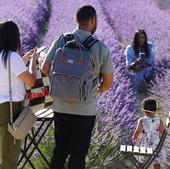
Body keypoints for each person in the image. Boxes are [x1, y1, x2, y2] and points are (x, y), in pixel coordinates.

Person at [42, 5, 113, 169]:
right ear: (93, 20)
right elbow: (108, 83)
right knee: (78, 154)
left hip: (60, 106)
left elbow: (45, 68)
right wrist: (96, 90)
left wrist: (61, 85)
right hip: (85, 109)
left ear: (77, 20)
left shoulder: (61, 40)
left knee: (59, 150)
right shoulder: (100, 48)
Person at [0, 21, 38, 169]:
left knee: (2, 149)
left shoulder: (5, 57)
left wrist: (24, 61)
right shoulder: (12, 57)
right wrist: (33, 62)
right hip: (10, 108)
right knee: (10, 152)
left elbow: (7, 73)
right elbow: (31, 81)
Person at [131, 98, 165, 169]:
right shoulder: (159, 120)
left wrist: (134, 137)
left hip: (144, 146)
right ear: (155, 110)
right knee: (156, 161)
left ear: (143, 110)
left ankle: (141, 166)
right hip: (156, 147)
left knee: (141, 159)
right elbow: (162, 132)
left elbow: (138, 130)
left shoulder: (142, 120)